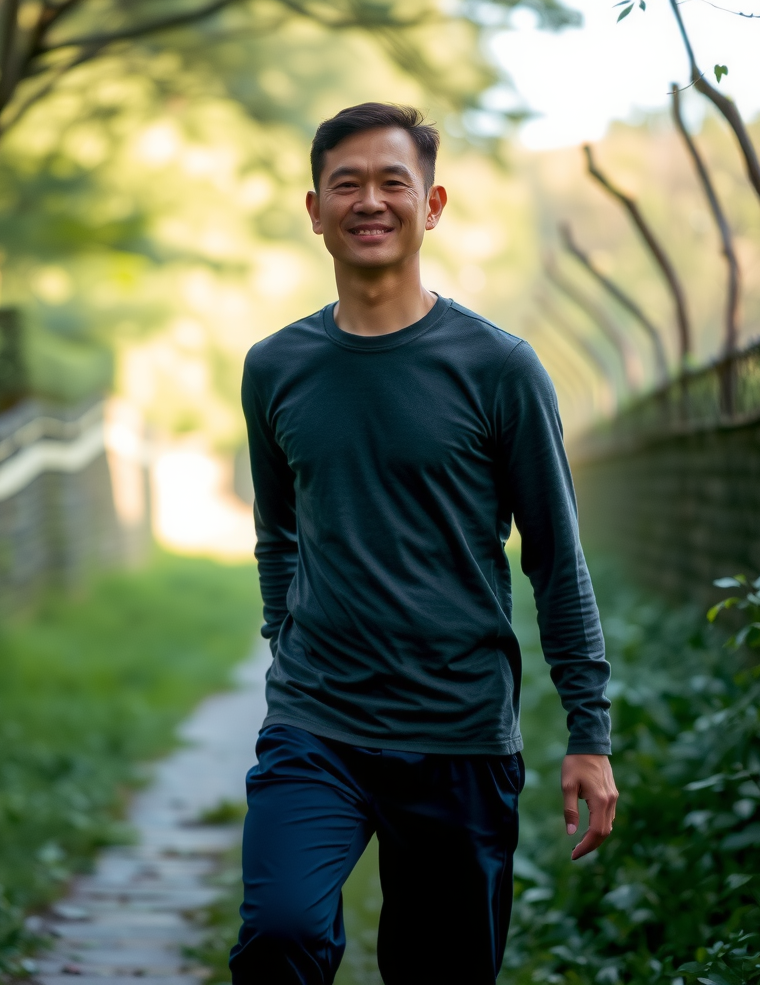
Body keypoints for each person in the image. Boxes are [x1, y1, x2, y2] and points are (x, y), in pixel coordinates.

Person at [229, 103, 619, 985]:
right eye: (347, 184)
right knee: (281, 936)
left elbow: (556, 559)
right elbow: (277, 529)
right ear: (315, 209)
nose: (370, 201)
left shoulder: (500, 369)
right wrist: (283, 638)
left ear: (432, 205)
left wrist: (589, 732)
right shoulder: (274, 367)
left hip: (459, 734)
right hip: (316, 722)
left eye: (392, 182)